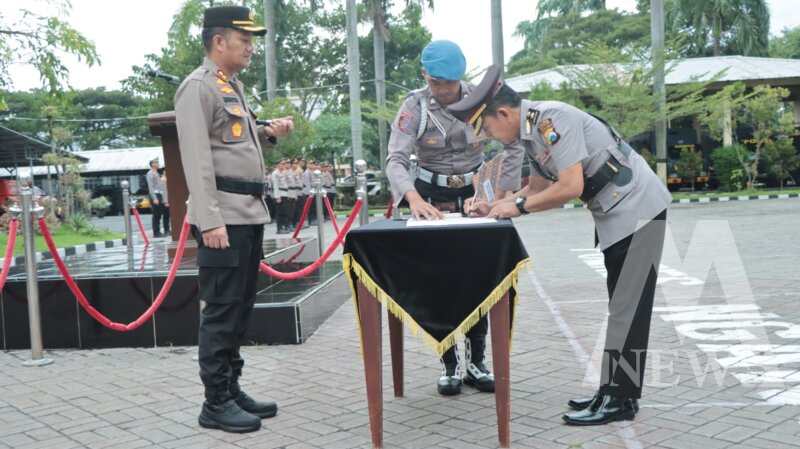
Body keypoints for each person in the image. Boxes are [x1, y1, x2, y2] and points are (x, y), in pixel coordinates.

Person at [447, 65, 671, 425]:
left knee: (627, 308)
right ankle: (612, 392)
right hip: (617, 212)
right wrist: (497, 205)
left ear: (503, 113)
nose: (489, 136)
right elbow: (537, 188)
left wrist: (516, 207)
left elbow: (570, 187)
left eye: (487, 128)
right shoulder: (530, 132)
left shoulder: (552, 120)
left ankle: (620, 400)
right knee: (621, 306)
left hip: (638, 208)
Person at [174, 5, 294, 433]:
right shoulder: (197, 88)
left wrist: (266, 133)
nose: (249, 48)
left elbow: (231, 141)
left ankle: (232, 388)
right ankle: (215, 402)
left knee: (240, 307)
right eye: (243, 41)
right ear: (218, 42)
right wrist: (209, 221)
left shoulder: (231, 85)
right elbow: (197, 157)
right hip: (222, 218)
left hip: (247, 214)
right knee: (222, 310)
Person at [385, 40, 524, 396]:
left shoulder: (480, 100)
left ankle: (477, 360)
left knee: (481, 277)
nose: (444, 91)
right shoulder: (413, 106)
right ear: (424, 75)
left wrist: (504, 193)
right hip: (430, 197)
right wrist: (412, 198)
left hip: (477, 195)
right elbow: (396, 160)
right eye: (436, 83)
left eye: (450, 83)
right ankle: (450, 363)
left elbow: (512, 145)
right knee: (440, 280)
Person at [146, 159, 169, 237]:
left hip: (161, 195)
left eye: (158, 162)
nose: (158, 164)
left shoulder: (158, 173)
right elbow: (151, 187)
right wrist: (154, 198)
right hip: (155, 194)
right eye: (156, 162)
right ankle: (156, 232)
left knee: (163, 213)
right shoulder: (150, 173)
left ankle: (163, 231)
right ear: (152, 164)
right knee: (156, 214)